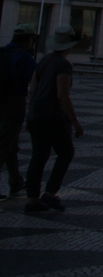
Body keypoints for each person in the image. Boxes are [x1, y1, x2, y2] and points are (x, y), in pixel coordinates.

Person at [25, 25, 84, 213]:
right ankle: (50, 193)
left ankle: (32, 198)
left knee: (38, 156)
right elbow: (62, 95)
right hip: (53, 117)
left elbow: (33, 89)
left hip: (36, 114)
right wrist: (75, 122)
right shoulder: (63, 65)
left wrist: (31, 111)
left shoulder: (44, 60)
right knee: (66, 153)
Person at [1, 24, 39, 200]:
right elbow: (34, 85)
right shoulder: (25, 58)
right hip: (14, 104)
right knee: (5, 143)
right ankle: (16, 181)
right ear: (28, 40)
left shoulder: (3, 52)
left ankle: (16, 180)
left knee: (11, 144)